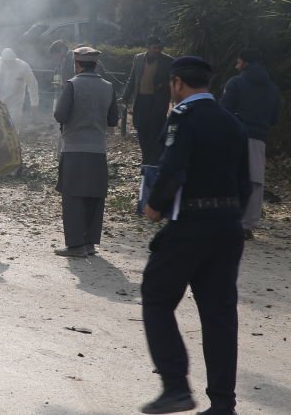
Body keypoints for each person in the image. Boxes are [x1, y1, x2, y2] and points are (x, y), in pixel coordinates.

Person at [138, 57, 250, 415]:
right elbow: (245, 183)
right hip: (228, 224)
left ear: (177, 84)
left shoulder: (183, 117)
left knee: (156, 295)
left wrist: (155, 206)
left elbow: (172, 168)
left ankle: (175, 387)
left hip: (191, 224)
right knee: (219, 315)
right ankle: (222, 404)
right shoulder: (231, 121)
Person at [52, 47, 119, 257]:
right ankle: (90, 243)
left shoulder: (72, 85)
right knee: (94, 197)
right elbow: (113, 120)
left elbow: (60, 115)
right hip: (98, 150)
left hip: (74, 149)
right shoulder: (108, 87)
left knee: (73, 197)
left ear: (77, 64)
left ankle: (75, 246)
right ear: (95, 64)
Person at [220, 49, 281, 240]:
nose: (237, 66)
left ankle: (227, 220)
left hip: (235, 135)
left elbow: (224, 111)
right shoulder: (272, 88)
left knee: (229, 177)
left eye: (238, 63)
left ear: (245, 63)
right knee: (255, 182)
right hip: (259, 137)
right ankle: (246, 225)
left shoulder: (236, 83)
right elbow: (275, 117)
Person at [122, 36, 175, 167]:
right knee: (141, 129)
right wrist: (125, 96)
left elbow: (173, 81)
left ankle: (155, 159)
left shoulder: (168, 61)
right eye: (154, 48)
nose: (156, 50)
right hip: (141, 100)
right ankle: (146, 158)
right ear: (148, 47)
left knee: (155, 130)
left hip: (158, 101)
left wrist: (162, 85)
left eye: (158, 48)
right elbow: (132, 79)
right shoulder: (138, 58)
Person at [0, 47, 40, 125]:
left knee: (13, 127)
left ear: (14, 58)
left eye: (11, 61)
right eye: (6, 61)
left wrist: (34, 104)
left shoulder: (23, 66)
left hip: (15, 103)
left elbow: (33, 85)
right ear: (2, 59)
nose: (9, 63)